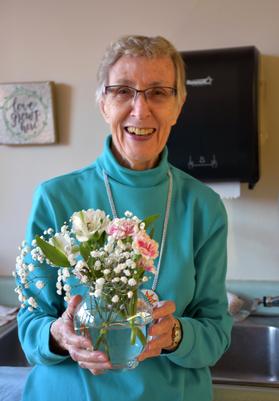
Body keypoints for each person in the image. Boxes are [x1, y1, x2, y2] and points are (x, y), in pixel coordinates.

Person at [17, 35, 232, 401]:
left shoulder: (203, 207)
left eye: (159, 92)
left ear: (178, 106)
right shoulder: (55, 198)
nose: (140, 109)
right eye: (123, 91)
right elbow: (29, 326)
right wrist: (59, 334)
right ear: (103, 103)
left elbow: (216, 331)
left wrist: (176, 334)